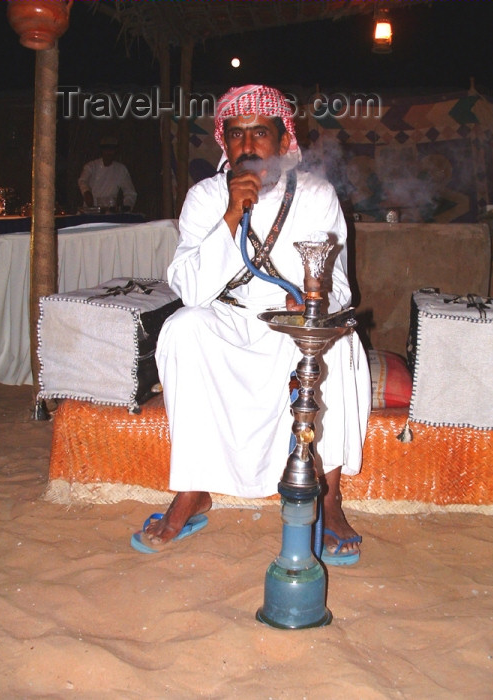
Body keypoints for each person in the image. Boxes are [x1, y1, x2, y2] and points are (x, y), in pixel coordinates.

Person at [140, 85, 371, 563]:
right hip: (229, 320)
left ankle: (329, 496)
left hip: (295, 325)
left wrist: (309, 296)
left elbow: (343, 289)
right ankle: (193, 488)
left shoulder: (315, 195)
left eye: (260, 133)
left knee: (341, 347)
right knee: (183, 328)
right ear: (225, 143)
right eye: (237, 134)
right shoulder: (205, 197)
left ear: (285, 141)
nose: (248, 146)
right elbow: (190, 288)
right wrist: (229, 215)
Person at [77, 136, 137, 211]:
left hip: (110, 211)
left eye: (111, 149)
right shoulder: (91, 166)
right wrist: (86, 192)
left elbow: (130, 193)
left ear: (116, 151)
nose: (109, 152)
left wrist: (127, 207)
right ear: (101, 150)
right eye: (106, 149)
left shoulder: (121, 169)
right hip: (90, 210)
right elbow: (83, 180)